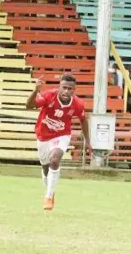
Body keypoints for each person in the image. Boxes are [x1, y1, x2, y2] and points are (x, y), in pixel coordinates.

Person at [25, 74, 91, 211]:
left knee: (54, 160)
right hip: (43, 136)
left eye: (70, 89)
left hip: (62, 135)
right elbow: (29, 106)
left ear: (74, 90)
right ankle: (51, 190)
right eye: (64, 88)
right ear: (59, 87)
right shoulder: (49, 95)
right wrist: (35, 91)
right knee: (45, 167)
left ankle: (48, 197)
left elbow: (83, 120)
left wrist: (88, 140)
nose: (66, 91)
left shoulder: (78, 104)